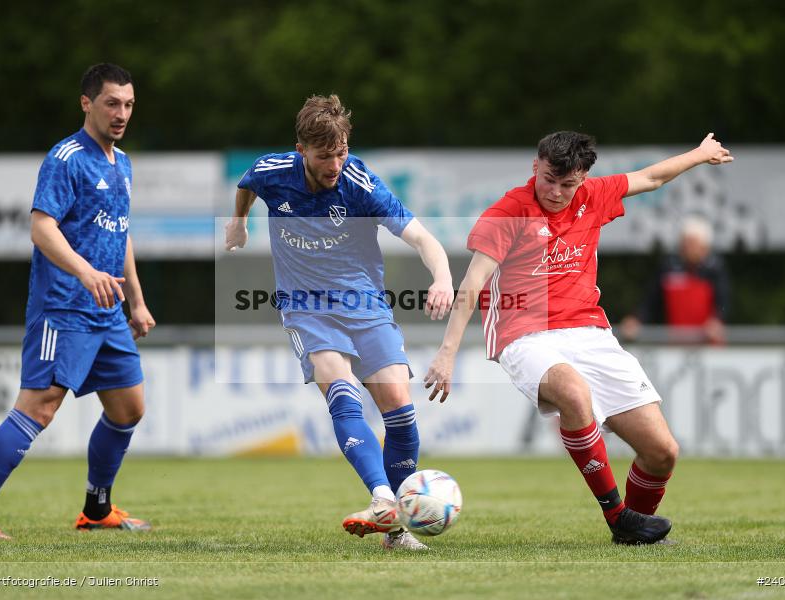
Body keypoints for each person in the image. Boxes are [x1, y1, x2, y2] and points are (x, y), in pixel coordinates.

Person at [425, 132, 733, 544]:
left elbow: (651, 178)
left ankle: (633, 531)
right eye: (549, 179)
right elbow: (472, 284)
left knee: (662, 453)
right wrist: (447, 355)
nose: (555, 192)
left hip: (590, 332)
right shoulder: (508, 212)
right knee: (573, 392)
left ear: (583, 178)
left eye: (567, 184)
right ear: (536, 166)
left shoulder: (595, 195)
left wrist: (700, 154)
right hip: (524, 334)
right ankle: (617, 515)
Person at [225, 95, 453, 551]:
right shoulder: (273, 171)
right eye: (324, 155)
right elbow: (246, 184)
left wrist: (443, 276)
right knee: (341, 388)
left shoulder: (359, 182)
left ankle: (393, 530)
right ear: (301, 150)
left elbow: (422, 237)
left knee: (399, 408)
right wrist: (239, 223)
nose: (334, 163)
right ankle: (385, 499)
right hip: (306, 308)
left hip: (365, 304)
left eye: (341, 151)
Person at [0, 64, 156, 539]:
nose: (121, 113)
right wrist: (85, 274)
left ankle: (97, 510)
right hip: (63, 306)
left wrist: (137, 302)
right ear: (87, 103)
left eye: (127, 104)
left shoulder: (121, 163)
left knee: (129, 408)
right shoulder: (66, 159)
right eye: (111, 103)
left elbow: (121, 235)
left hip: (107, 312)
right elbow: (42, 227)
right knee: (40, 406)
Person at [620, 215, 731, 344]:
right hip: (675, 344)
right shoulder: (668, 267)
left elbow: (724, 301)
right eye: (685, 243)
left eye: (692, 243)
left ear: (704, 247)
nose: (687, 247)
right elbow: (651, 300)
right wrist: (636, 319)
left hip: (708, 342)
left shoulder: (715, 269)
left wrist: (717, 320)